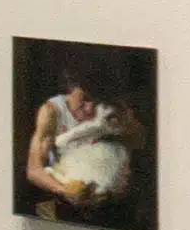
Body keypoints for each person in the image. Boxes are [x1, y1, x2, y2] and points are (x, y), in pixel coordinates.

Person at [22, 70, 136, 221]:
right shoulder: (52, 111)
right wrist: (64, 191)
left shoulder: (109, 114)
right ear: (71, 88)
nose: (89, 109)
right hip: (64, 197)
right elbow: (34, 170)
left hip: (104, 200)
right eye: (85, 99)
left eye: (96, 103)